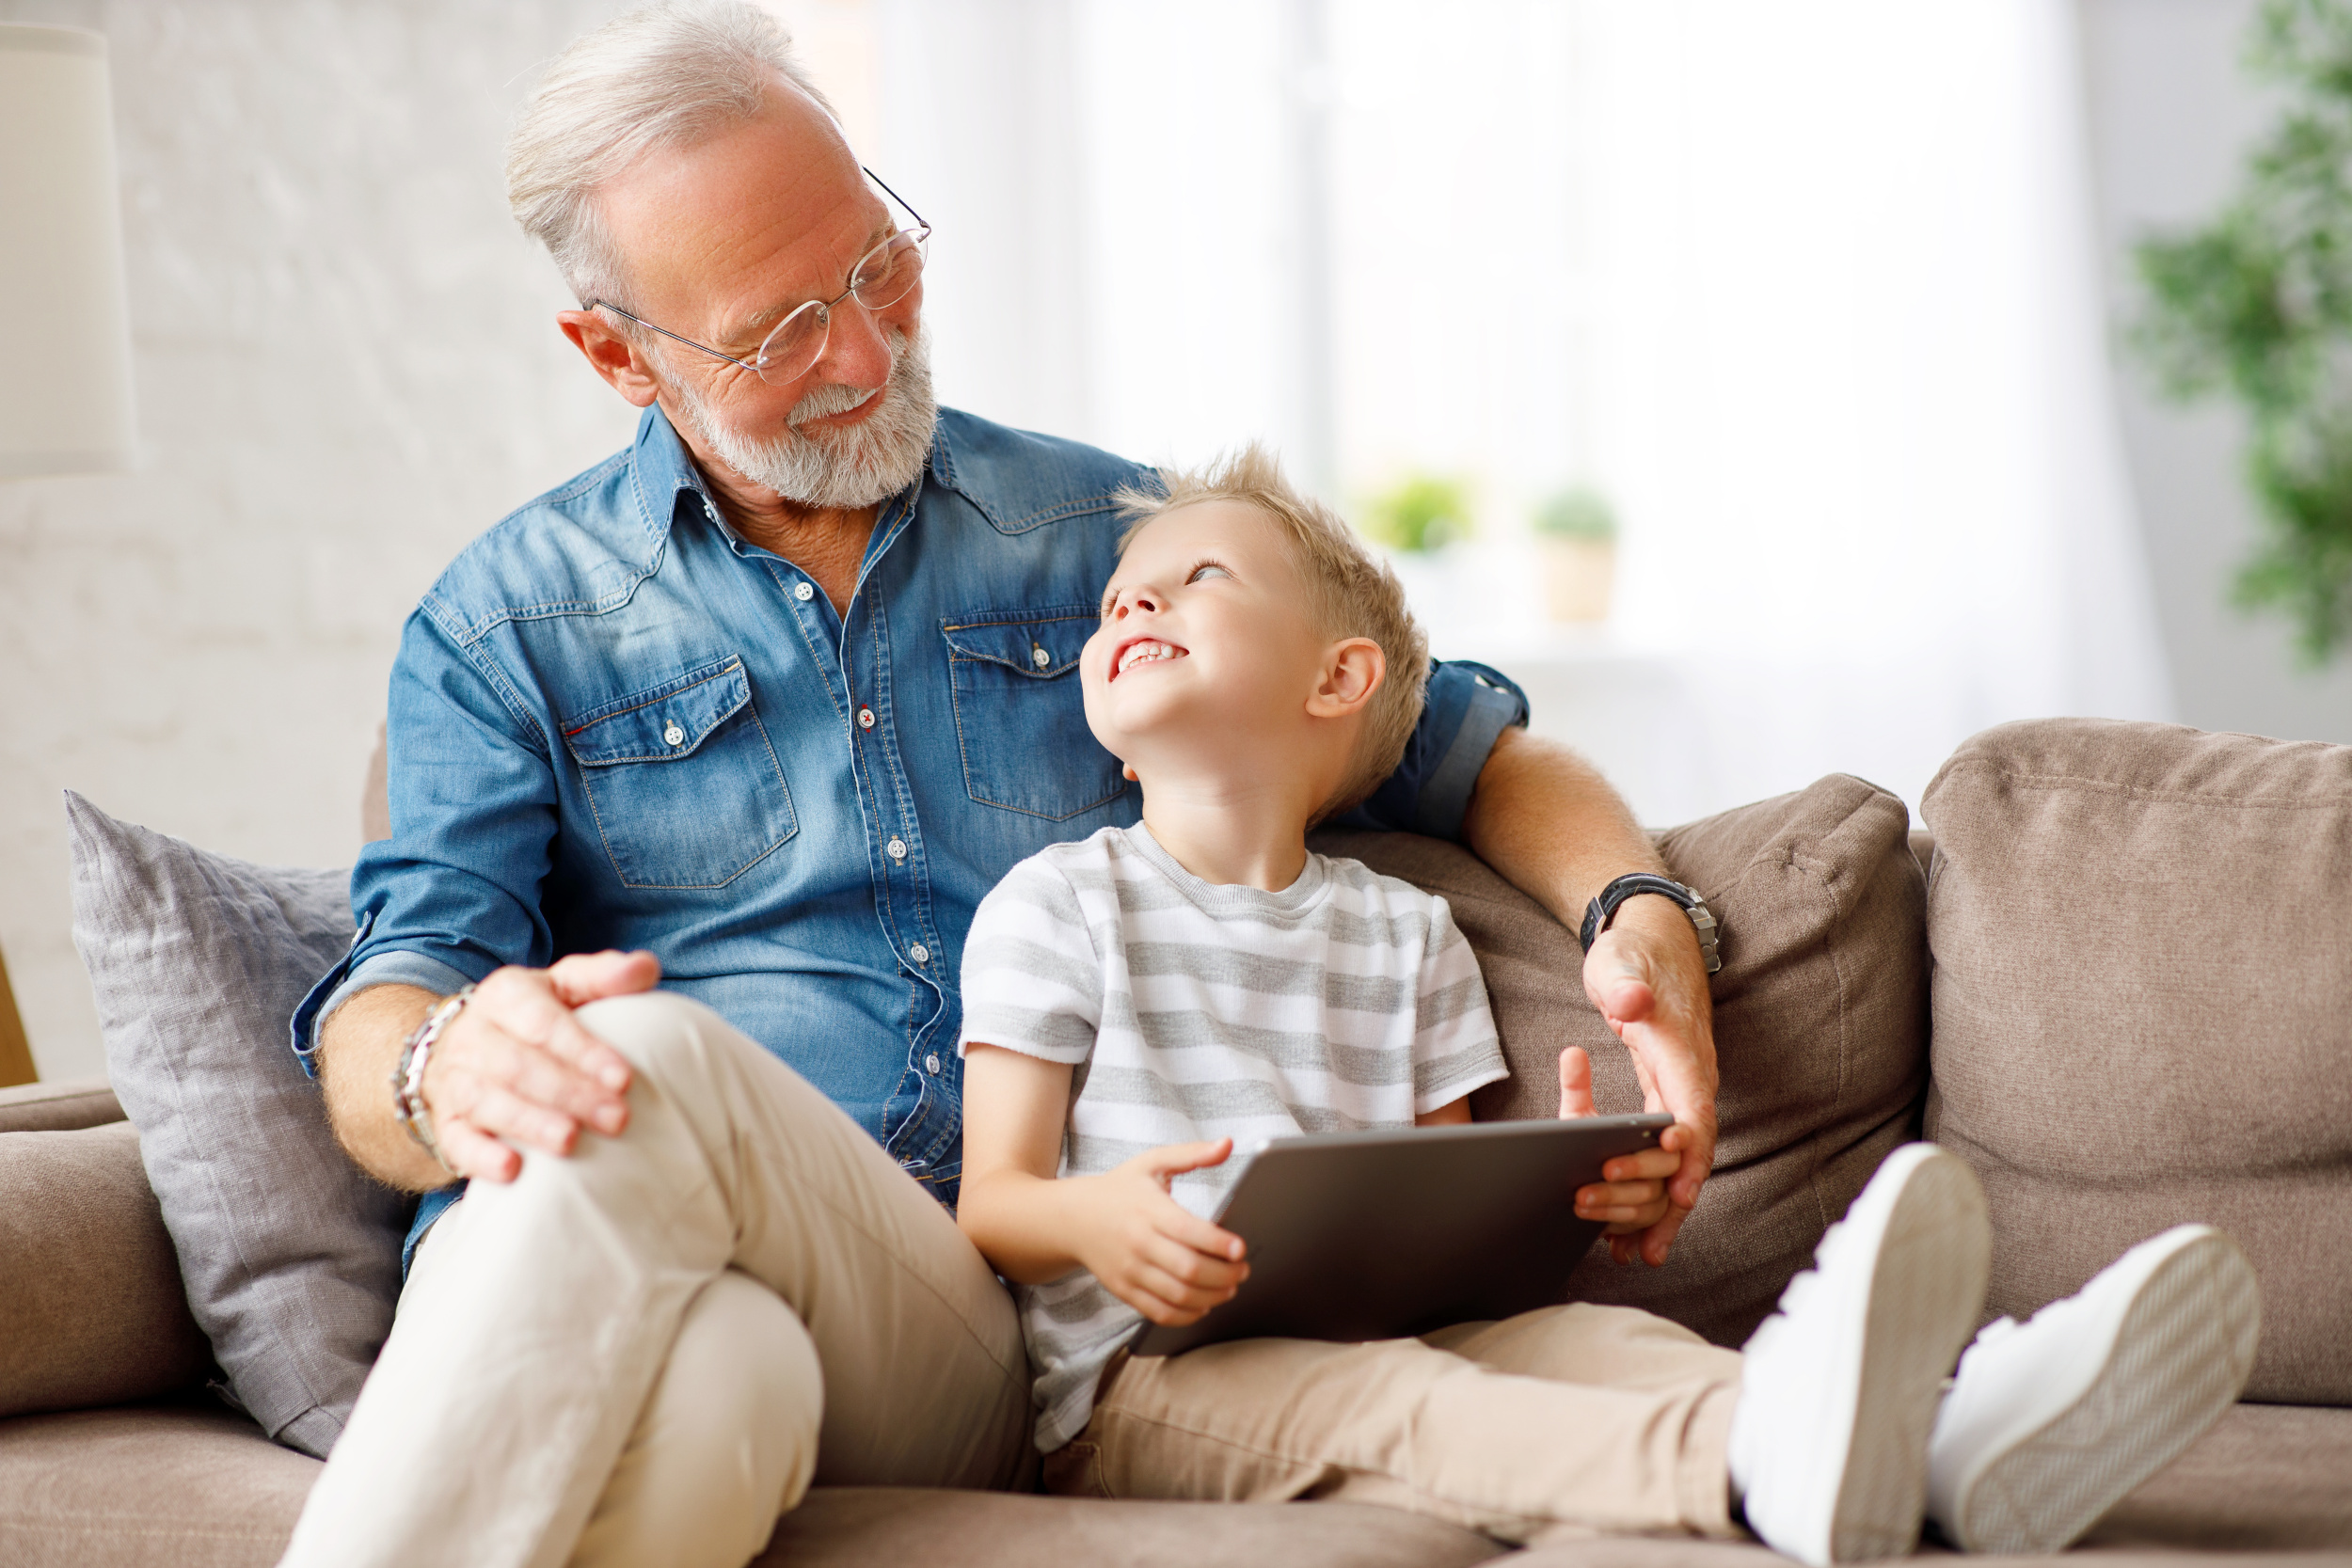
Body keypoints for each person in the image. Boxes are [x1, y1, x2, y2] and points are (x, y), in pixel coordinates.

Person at [276, 6, 1723, 1567]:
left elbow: (1472, 753)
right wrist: (446, 1067)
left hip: (978, 1322)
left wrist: (1640, 915)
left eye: (878, 259)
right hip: (671, 1290)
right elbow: (389, 1005)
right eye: (777, 333)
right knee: (716, 1386)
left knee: (638, 1064)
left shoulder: (1112, 543)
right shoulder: (503, 630)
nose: (866, 344)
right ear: (616, 354)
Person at [952, 448, 2265, 1564]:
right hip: (1145, 1391)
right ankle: (1764, 1458)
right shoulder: (1055, 908)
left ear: (1339, 681)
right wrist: (1097, 1218)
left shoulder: (1409, 934)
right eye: (1122, 597)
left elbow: (1429, 1225)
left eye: (1199, 580)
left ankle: (1953, 1434)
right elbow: (995, 1205)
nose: (1135, 607)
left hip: (1392, 1323)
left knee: (1583, 1340)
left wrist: (1562, 1189)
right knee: (1392, 1396)